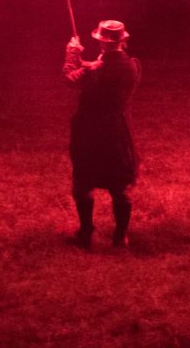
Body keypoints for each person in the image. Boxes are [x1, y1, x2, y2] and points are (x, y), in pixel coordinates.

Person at [63, 20, 142, 249]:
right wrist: (82, 59)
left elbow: (70, 77)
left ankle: (85, 233)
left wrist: (71, 53)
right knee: (119, 186)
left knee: (83, 183)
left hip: (91, 132)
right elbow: (97, 67)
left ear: (100, 41)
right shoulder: (132, 65)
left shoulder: (97, 70)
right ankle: (120, 237)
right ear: (123, 40)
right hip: (117, 131)